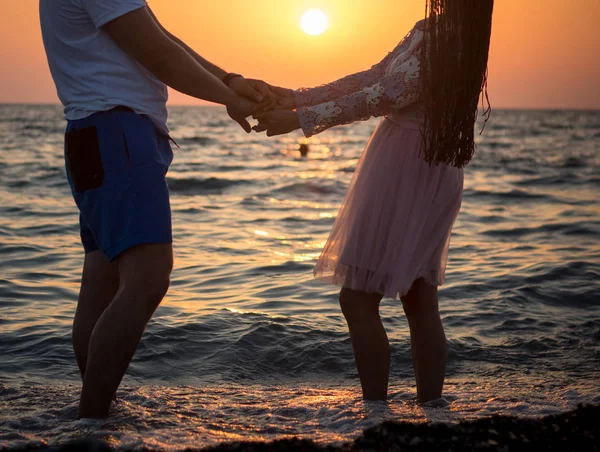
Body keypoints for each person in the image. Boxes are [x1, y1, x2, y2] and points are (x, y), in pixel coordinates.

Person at [39, 0, 276, 418]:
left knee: (102, 280)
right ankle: (93, 418)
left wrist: (229, 79)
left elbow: (163, 39)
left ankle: (95, 417)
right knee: (147, 278)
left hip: (95, 135)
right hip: (117, 133)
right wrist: (227, 98)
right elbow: (160, 55)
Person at [254, 0, 494, 404]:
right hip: (421, 163)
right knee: (419, 300)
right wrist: (295, 98)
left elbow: (384, 95)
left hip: (409, 167)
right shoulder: (433, 29)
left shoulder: (449, 39)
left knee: (359, 298)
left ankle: (376, 413)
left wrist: (301, 119)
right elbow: (374, 76)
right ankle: (430, 412)